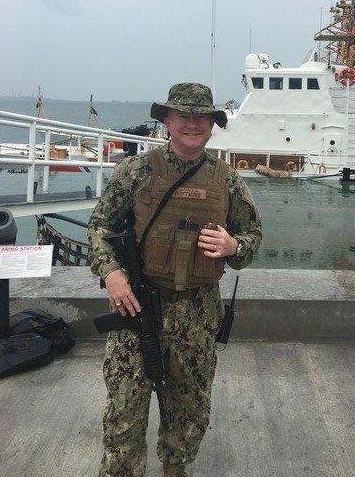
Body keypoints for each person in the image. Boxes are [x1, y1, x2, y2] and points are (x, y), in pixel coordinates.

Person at [88, 83, 262, 477]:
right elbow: (100, 226)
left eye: (202, 117)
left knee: (189, 405)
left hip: (197, 313)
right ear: (167, 120)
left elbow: (252, 237)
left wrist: (234, 246)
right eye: (184, 115)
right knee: (124, 409)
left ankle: (175, 469)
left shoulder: (228, 180)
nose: (193, 124)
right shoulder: (136, 171)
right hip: (136, 307)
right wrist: (112, 273)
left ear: (212, 125)